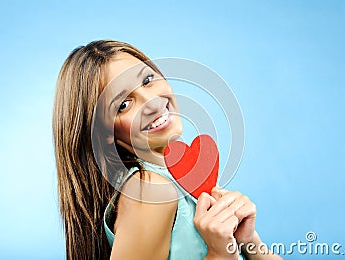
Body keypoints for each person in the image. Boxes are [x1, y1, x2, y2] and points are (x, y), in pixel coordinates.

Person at [53, 40, 282, 260]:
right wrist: (220, 254)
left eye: (147, 80)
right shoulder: (150, 191)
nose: (152, 102)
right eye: (123, 104)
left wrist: (249, 242)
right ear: (104, 134)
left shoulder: (169, 182)